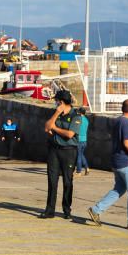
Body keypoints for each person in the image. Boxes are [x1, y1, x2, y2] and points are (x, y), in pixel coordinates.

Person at [87, 99, 128, 230]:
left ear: (122, 109)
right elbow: (127, 142)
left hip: (117, 161)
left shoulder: (117, 121)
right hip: (127, 162)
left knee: (119, 189)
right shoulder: (127, 123)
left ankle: (96, 210)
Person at [39, 90, 83, 219]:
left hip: (69, 151)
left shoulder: (76, 116)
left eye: (56, 101)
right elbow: (47, 128)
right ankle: (49, 210)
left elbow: (70, 134)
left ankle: (66, 210)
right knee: (52, 180)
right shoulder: (56, 114)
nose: (55, 103)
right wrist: (57, 112)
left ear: (61, 102)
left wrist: (55, 129)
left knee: (67, 181)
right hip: (54, 150)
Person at [75, 107, 90, 176]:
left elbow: (76, 128)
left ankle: (78, 171)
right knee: (81, 154)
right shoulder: (86, 120)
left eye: (78, 112)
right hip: (85, 140)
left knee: (78, 155)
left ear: (80, 113)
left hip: (79, 139)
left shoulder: (78, 119)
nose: (77, 113)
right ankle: (87, 168)